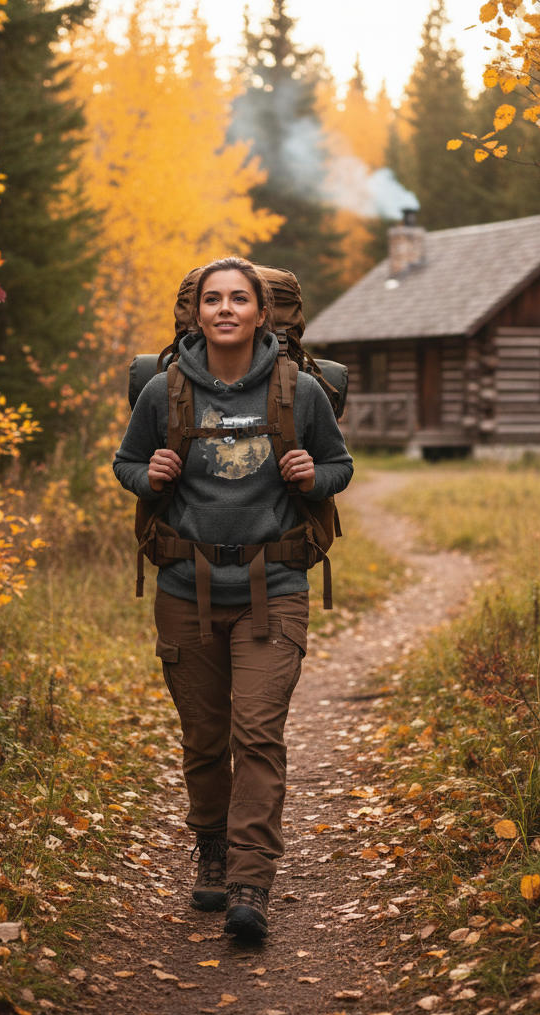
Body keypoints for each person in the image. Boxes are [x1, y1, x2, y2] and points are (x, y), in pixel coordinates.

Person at [113, 257, 353, 939]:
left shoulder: (299, 392)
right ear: (196, 314)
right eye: (212, 299)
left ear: (260, 313)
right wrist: (148, 474)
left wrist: (313, 476)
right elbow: (126, 463)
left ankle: (252, 880)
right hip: (184, 591)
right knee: (204, 738)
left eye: (238, 299)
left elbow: (340, 465)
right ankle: (212, 850)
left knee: (257, 733)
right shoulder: (162, 392)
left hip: (273, 588)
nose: (224, 309)